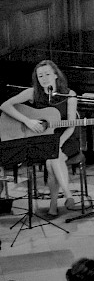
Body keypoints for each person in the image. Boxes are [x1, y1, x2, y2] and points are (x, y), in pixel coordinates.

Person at [0, 60, 78, 218]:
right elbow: (5, 106)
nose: (44, 78)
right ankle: (66, 197)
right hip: (41, 140)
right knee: (51, 159)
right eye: (40, 75)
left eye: (48, 74)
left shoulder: (69, 95)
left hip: (65, 139)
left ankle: (57, 202)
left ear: (56, 75)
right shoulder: (32, 93)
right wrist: (27, 121)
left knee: (52, 159)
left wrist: (60, 142)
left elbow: (71, 125)